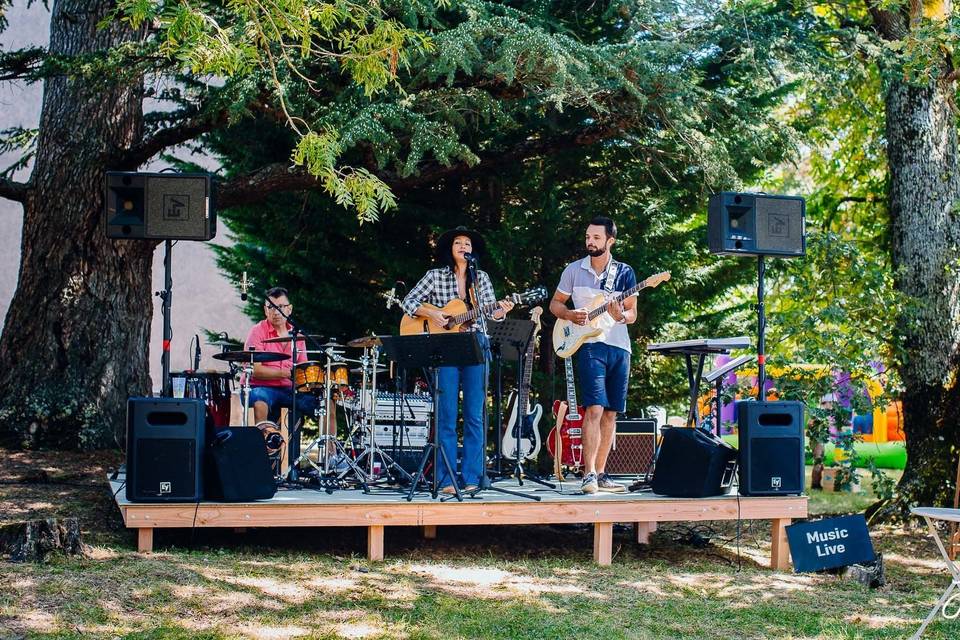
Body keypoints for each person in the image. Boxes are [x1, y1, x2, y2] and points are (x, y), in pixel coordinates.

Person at [400, 227, 514, 495]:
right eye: (458, 242)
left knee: (475, 414)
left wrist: (500, 311)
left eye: (467, 243)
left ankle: (473, 477)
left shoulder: (481, 278)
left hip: (476, 345)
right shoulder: (435, 276)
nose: (464, 246)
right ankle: (446, 479)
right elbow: (409, 302)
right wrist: (435, 313)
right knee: (447, 414)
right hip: (445, 347)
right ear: (449, 248)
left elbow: (490, 315)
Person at [549, 217, 637, 494]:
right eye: (588, 237)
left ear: (610, 241)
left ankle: (601, 474)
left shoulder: (625, 272)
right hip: (589, 345)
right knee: (594, 408)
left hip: (620, 347)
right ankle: (587, 474)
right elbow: (555, 304)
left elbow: (632, 313)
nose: (590, 242)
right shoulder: (574, 270)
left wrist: (620, 314)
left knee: (611, 413)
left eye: (597, 238)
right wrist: (569, 314)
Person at [244, 287, 319, 426]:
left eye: (280, 307)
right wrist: (287, 373)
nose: (276, 312)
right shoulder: (257, 332)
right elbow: (256, 371)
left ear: (289, 309)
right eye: (271, 307)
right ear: (265, 310)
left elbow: (303, 371)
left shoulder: (298, 336)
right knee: (259, 398)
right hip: (262, 387)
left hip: (289, 390)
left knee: (325, 404)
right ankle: (264, 443)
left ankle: (330, 446)